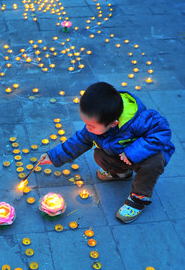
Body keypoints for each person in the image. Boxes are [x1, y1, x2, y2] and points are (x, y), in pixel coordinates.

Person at [40, 82, 175, 223]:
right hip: (121, 154)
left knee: (153, 163)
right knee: (99, 155)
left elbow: (162, 133)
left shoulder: (141, 120)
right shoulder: (98, 123)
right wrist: (53, 156)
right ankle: (122, 173)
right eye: (85, 123)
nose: (87, 128)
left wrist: (132, 153)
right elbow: (78, 141)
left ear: (113, 123)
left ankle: (138, 199)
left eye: (91, 125)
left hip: (147, 155)